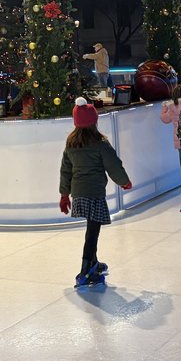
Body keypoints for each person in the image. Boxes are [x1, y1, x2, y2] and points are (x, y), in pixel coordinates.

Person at [59, 97, 132, 288]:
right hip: (95, 194)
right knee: (92, 233)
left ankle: (94, 262)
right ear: (94, 121)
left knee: (91, 229)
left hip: (78, 194)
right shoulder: (100, 143)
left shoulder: (71, 143)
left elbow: (65, 170)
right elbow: (113, 165)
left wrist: (64, 194)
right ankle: (85, 271)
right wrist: (124, 182)